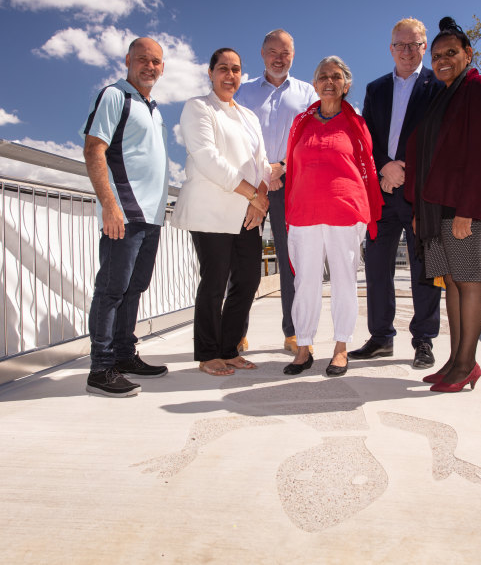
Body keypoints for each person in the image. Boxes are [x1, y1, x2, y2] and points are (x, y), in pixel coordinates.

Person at [404, 17, 481, 392]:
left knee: (469, 281)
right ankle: (454, 361)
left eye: (451, 53)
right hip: (435, 206)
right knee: (453, 285)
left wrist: (468, 210)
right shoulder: (441, 96)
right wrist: (417, 211)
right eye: (437, 56)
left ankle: (467, 365)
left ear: (468, 54)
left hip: (464, 206)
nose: (442, 60)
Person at [349, 18, 443, 369]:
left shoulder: (438, 87)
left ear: (424, 47)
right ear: (390, 48)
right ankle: (381, 338)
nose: (406, 50)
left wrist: (405, 172)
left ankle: (423, 340)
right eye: (400, 45)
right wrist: (385, 168)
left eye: (414, 44)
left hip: (421, 195)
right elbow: (365, 139)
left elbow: (441, 141)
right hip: (382, 193)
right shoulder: (375, 89)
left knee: (423, 269)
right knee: (376, 267)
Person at [172, 48, 271, 376]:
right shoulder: (198, 107)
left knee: (248, 280)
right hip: (211, 209)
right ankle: (208, 352)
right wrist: (251, 194)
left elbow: (262, 164)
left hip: (247, 213)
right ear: (211, 73)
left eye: (236, 70)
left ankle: (229, 348)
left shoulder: (249, 116)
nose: (230, 75)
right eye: (224, 69)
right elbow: (206, 157)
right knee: (214, 281)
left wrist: (262, 195)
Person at [283, 56, 383, 377]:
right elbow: (294, 168)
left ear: (346, 84)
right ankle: (304, 347)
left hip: (345, 211)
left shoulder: (356, 125)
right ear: (314, 85)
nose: (329, 81)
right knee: (306, 282)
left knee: (344, 281)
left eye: (336, 76)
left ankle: (341, 348)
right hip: (304, 212)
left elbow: (367, 166)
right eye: (323, 76)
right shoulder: (301, 123)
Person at [83, 37, 169, 397]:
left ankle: (123, 354)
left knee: (134, 288)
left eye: (156, 62)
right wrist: (110, 205)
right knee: (111, 289)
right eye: (143, 60)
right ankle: (101, 368)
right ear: (127, 61)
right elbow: (93, 148)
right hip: (125, 212)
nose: (150, 66)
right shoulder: (115, 96)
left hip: (150, 217)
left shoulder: (154, 107)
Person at [236, 29, 318, 355]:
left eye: (285, 52)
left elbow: (313, 139)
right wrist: (261, 174)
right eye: (273, 51)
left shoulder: (307, 93)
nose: (278, 57)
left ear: (293, 55)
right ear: (262, 53)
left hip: (290, 184)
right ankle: (236, 331)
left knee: (290, 261)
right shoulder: (242, 93)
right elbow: (234, 138)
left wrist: (281, 165)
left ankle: (293, 332)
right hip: (250, 188)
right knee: (242, 261)